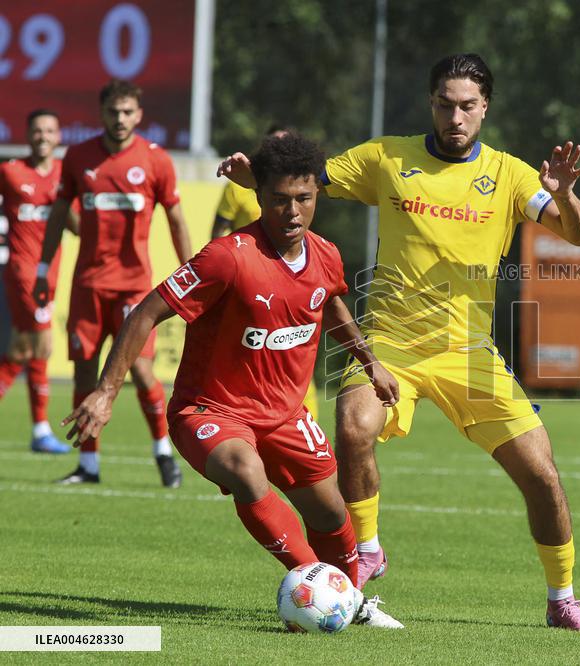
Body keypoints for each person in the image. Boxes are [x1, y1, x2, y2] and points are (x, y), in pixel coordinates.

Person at [220, 53, 580, 632]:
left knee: (542, 475)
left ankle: (563, 599)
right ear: (431, 103)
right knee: (352, 427)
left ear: (485, 109)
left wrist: (567, 194)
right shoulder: (386, 158)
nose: (456, 117)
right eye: (446, 104)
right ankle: (368, 548)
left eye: (468, 106)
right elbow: (305, 185)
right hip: (391, 341)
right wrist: (258, 177)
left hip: (470, 354)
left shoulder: (511, 175)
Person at [64, 132, 403, 629]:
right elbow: (144, 312)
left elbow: (328, 301)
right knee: (245, 470)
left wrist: (369, 360)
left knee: (332, 515)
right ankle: (328, 593)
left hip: (285, 415)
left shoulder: (326, 254)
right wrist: (106, 389)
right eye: (280, 200)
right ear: (259, 196)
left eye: (304, 199)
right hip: (209, 411)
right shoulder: (228, 257)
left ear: (315, 197)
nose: (292, 212)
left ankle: (349, 596)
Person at [34, 79, 192, 487]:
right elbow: (57, 216)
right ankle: (88, 465)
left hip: (134, 289)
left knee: (140, 372)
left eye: (127, 112)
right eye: (113, 112)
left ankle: (163, 453)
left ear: (138, 115)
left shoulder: (156, 161)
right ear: (101, 113)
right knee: (85, 375)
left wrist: (191, 271)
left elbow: (175, 219)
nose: (120, 119)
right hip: (87, 286)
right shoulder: (79, 157)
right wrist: (42, 268)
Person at [212, 124, 321, 417]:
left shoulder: (301, 188)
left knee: (294, 366)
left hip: (292, 286)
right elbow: (219, 233)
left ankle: (299, 429)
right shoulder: (237, 189)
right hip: (251, 285)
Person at [0, 109, 78, 453]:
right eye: (37, 131)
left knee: (21, 351)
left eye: (49, 130)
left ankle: (40, 431)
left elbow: (76, 227)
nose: (43, 136)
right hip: (24, 273)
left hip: (52, 272)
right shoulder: (10, 171)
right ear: (28, 135)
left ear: (58, 136)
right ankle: (41, 430)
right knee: (42, 346)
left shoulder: (65, 175)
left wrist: (64, 201)